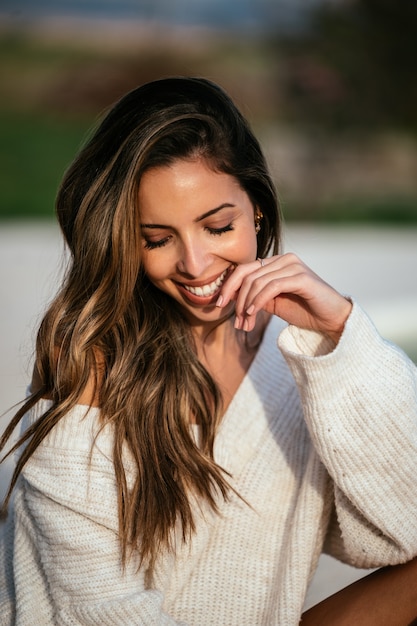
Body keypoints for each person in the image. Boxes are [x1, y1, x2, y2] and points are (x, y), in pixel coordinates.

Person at [0, 76, 417, 626]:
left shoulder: (303, 357)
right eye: (156, 239)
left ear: (257, 210)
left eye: (218, 227)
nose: (194, 265)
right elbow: (97, 604)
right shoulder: (93, 354)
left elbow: (397, 533)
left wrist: (340, 334)